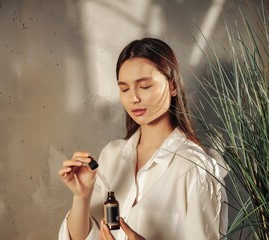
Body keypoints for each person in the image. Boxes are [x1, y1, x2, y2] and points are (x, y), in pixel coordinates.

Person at [58, 38, 226, 240]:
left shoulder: (195, 167)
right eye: (124, 89)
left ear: (172, 86)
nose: (133, 98)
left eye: (145, 86)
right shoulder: (111, 155)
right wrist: (82, 196)